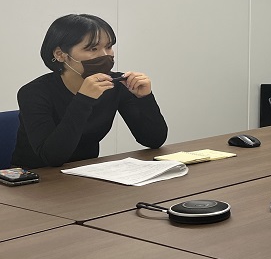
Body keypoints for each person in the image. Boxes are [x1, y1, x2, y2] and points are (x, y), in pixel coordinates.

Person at [11, 14, 168, 168]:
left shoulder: (117, 84)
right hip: (35, 180)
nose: (105, 55)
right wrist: (84, 99)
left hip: (86, 176)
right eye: (93, 48)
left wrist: (145, 98)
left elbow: (154, 140)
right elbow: (52, 157)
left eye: (109, 47)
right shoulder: (33, 93)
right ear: (60, 55)